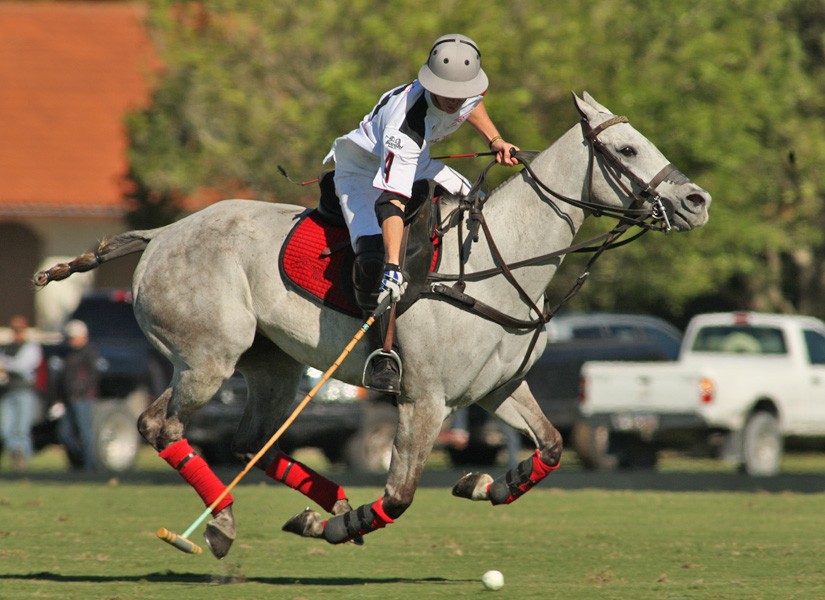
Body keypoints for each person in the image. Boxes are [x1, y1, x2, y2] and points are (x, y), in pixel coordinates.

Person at [324, 33, 520, 394]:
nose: (454, 101)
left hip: (419, 163)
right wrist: (394, 267)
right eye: (446, 94)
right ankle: (381, 354)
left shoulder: (463, 91)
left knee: (479, 204)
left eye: (459, 94)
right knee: (375, 260)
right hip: (362, 174)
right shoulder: (405, 126)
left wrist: (495, 140)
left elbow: (471, 105)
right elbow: (390, 202)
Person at [56, 319, 100, 471]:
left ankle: (89, 466)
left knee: (85, 433)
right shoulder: (68, 353)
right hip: (68, 399)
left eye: (74, 337)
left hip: (83, 399)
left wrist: (80, 392)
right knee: (64, 434)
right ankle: (78, 461)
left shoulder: (89, 353)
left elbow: (93, 376)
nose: (71, 340)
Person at [0, 315, 43, 471]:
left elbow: (21, 366)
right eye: (14, 329)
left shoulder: (31, 347)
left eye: (20, 328)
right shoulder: (6, 347)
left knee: (21, 429)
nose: (17, 332)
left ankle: (23, 463)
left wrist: (5, 365)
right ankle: (15, 457)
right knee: (6, 429)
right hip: (7, 391)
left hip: (24, 392)